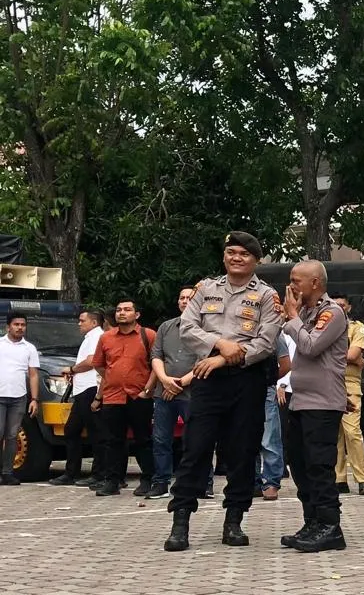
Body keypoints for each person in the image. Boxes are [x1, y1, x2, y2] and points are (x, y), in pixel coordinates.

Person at [163, 232, 282, 552]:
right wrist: (218, 344)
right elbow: (187, 328)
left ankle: (234, 521)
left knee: (242, 453)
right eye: (231, 252)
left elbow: (266, 343)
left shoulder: (268, 297)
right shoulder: (205, 289)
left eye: (244, 254)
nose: (236, 258)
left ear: (255, 260)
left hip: (247, 380)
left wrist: (219, 359)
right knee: (196, 448)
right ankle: (181, 521)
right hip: (208, 383)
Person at [279, 261, 350, 553]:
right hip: (299, 399)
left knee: (319, 465)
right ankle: (312, 521)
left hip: (322, 403)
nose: (292, 286)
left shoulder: (331, 312)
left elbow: (309, 346)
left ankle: (330, 526)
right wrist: (292, 316)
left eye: (297, 281)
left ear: (316, 284)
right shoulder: (306, 312)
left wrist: (293, 317)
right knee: (299, 463)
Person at [91, 300, 157, 497]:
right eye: (119, 310)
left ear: (137, 315)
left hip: (139, 396)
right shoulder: (106, 338)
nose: (122, 313)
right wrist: (112, 378)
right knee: (113, 441)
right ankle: (113, 481)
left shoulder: (148, 335)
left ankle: (148, 479)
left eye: (127, 310)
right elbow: (99, 364)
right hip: (113, 396)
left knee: (143, 439)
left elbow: (157, 363)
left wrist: (148, 389)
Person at [148, 287, 199, 500]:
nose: (185, 301)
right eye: (182, 297)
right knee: (161, 439)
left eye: (190, 298)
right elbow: (156, 356)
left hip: (193, 393)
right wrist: (165, 380)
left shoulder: (206, 328)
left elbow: (205, 360)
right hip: (164, 392)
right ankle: (160, 482)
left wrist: (179, 383)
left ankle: (201, 483)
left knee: (197, 440)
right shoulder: (166, 327)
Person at [52, 310, 106, 488]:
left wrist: (72, 369)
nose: (79, 323)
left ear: (93, 322)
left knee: (95, 433)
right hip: (81, 390)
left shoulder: (96, 336)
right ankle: (71, 472)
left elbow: (92, 361)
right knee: (71, 430)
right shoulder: (89, 337)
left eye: (82, 320)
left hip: (91, 389)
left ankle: (98, 474)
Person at [333, 293, 364, 496]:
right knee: (335, 434)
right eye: (335, 304)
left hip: (350, 384)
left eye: (342, 305)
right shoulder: (323, 326)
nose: (339, 307)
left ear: (348, 307)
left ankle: (362, 478)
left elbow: (353, 355)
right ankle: (339, 479)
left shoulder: (357, 328)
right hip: (328, 384)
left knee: (352, 431)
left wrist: (351, 357)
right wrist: (350, 357)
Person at [0, 314, 40, 485]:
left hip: (18, 397)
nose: (20, 327)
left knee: (11, 435)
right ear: (8, 327)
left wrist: (35, 399)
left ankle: (7, 472)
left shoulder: (29, 348)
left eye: (23, 324)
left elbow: (33, 374)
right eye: (16, 324)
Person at [257, 333, 293, 500]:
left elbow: (286, 365)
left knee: (269, 436)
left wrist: (269, 379)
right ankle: (252, 481)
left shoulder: (274, 333)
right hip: (240, 388)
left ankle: (271, 481)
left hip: (265, 388)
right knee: (244, 436)